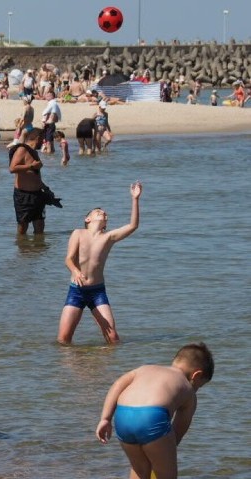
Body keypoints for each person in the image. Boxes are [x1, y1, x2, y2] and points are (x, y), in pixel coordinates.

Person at [96, 343, 214, 479]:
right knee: (166, 475)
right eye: (199, 386)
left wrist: (105, 418)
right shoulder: (188, 391)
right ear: (196, 375)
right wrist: (163, 451)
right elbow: (178, 432)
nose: (196, 390)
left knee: (139, 470)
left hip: (122, 416)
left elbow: (117, 385)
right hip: (152, 417)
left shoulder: (144, 369)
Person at [57, 181, 142, 344]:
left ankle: (104, 366)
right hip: (77, 291)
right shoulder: (78, 233)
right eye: (97, 211)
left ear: (106, 222)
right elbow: (68, 259)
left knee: (113, 338)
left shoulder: (108, 238)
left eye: (104, 213)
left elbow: (133, 225)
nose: (102, 213)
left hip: (97, 292)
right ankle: (70, 367)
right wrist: (75, 271)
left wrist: (135, 199)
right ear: (87, 219)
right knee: (63, 339)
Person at [8, 127, 46, 235]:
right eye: (42, 139)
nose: (43, 142)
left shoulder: (34, 152)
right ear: (37, 138)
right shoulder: (22, 149)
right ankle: (22, 249)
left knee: (40, 226)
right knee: (23, 226)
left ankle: (38, 251)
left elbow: (34, 175)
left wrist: (45, 188)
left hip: (37, 194)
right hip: (23, 195)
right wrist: (31, 166)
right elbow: (12, 168)